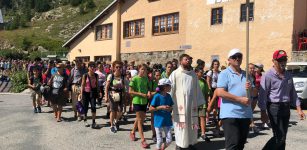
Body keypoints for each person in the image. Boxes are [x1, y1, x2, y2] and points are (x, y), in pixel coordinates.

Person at [259, 50, 306, 150]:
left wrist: (299, 108)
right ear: (273, 61)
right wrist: (263, 112)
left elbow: (293, 92)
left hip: (286, 107)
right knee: (279, 137)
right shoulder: (268, 75)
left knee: (283, 137)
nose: (283, 62)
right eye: (280, 60)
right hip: (274, 108)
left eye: (284, 59)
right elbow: (263, 95)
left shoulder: (288, 75)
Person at [216, 48, 252, 150]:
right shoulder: (224, 73)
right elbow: (219, 92)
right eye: (234, 57)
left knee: (241, 144)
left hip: (245, 114)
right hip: (230, 114)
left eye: (239, 56)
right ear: (229, 59)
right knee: (233, 144)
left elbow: (254, 92)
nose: (237, 58)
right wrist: (239, 99)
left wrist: (251, 88)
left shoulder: (247, 74)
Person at [169, 54, 205, 150]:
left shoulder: (193, 74)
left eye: (189, 59)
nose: (188, 61)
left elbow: (197, 88)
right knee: (180, 125)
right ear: (181, 61)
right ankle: (179, 144)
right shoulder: (175, 73)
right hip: (179, 105)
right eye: (186, 59)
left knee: (192, 124)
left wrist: (200, 102)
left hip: (191, 105)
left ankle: (191, 143)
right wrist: (168, 101)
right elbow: (170, 88)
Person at [129, 64, 151, 148]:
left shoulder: (146, 78)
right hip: (137, 101)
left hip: (144, 101)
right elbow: (130, 91)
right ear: (138, 69)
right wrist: (140, 94)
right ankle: (143, 140)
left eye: (145, 70)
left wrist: (148, 92)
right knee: (140, 120)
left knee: (140, 119)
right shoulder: (134, 79)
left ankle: (132, 132)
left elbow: (148, 87)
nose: (144, 71)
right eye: (142, 69)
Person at [149, 78, 174, 150]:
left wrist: (170, 108)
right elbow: (150, 109)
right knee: (159, 140)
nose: (170, 87)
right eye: (169, 86)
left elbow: (171, 106)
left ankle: (162, 148)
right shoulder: (157, 96)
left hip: (167, 121)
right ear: (164, 87)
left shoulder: (168, 96)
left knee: (169, 140)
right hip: (158, 121)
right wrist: (161, 107)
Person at [105, 61, 125, 133]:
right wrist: (106, 96)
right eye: (117, 67)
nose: (118, 68)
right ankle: (111, 125)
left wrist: (124, 94)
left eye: (120, 67)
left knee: (120, 110)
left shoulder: (122, 76)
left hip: (120, 94)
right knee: (113, 110)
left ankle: (116, 121)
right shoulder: (111, 76)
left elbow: (124, 87)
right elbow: (107, 87)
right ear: (113, 68)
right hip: (112, 94)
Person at [80, 62, 99, 128]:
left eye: (93, 66)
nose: (92, 67)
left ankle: (93, 122)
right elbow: (82, 85)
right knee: (85, 108)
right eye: (91, 66)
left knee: (93, 107)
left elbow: (97, 85)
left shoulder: (96, 75)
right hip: (86, 93)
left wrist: (99, 92)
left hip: (93, 92)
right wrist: (81, 94)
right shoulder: (85, 75)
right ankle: (85, 120)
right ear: (88, 68)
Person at [195, 67, 211, 142]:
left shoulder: (204, 81)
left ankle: (203, 133)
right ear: (196, 73)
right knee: (195, 119)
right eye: (201, 72)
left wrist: (207, 101)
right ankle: (195, 133)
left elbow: (207, 92)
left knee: (202, 117)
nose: (202, 74)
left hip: (202, 103)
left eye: (203, 72)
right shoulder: (192, 81)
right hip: (194, 103)